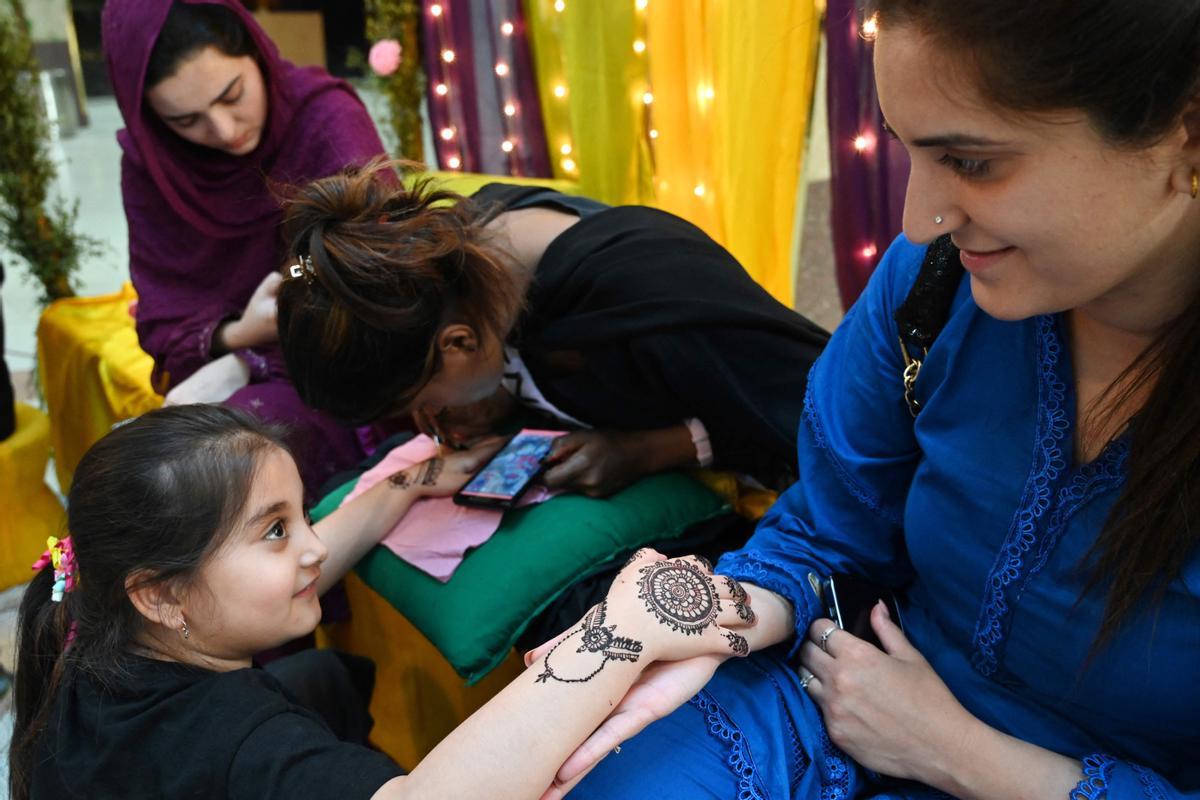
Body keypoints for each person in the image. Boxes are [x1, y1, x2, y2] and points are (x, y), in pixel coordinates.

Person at [542, 1, 1200, 798]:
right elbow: (827, 529)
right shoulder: (937, 283)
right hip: (849, 696)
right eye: (909, 151)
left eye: (972, 161)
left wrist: (958, 753)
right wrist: (685, 617)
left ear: (1185, 135)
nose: (918, 219)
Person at [9, 404, 753, 800]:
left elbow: (307, 550)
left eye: (299, 514)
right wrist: (616, 634)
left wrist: (411, 483)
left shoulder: (91, 638)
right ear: (163, 597)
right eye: (274, 530)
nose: (310, 549)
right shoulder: (235, 741)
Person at [275, 165, 830, 497]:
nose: (435, 420)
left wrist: (661, 448)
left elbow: (827, 421)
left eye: (425, 401)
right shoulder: (462, 259)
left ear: (459, 344)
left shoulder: (646, 291)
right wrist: (494, 396)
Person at [101, 0, 388, 492]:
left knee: (216, 476)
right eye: (186, 120)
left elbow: (368, 259)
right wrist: (238, 335)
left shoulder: (323, 118)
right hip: (233, 359)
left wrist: (253, 355)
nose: (224, 131)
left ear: (255, 51)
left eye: (232, 95)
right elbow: (164, 318)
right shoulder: (155, 164)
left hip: (347, 366)